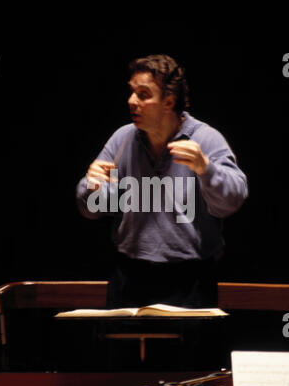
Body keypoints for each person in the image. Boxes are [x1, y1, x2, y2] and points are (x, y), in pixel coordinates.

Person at [76, 54, 248, 309]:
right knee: (124, 349)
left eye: (143, 95)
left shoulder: (205, 139)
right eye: (132, 92)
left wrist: (206, 169)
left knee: (189, 350)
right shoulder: (122, 139)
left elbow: (232, 202)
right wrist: (93, 188)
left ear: (168, 101)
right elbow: (94, 210)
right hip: (129, 277)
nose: (131, 101)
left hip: (190, 281)